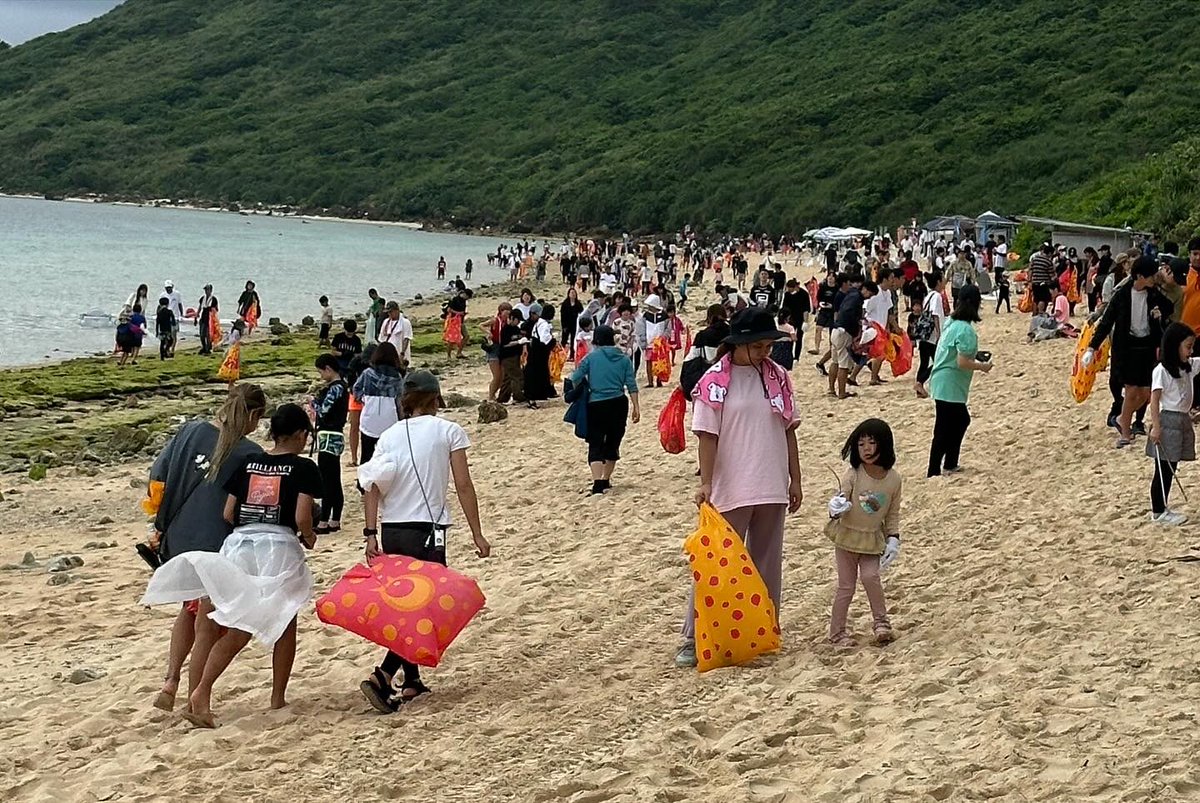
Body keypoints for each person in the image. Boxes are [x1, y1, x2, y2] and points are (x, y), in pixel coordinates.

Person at [143, 404, 322, 728]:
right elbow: (301, 517)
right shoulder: (304, 468)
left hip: (238, 543)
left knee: (219, 620)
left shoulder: (246, 463)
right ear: (299, 435)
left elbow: (228, 512)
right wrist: (308, 537)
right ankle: (271, 697)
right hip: (276, 548)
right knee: (279, 620)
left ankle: (197, 693)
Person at [676, 308, 803, 668]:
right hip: (731, 485)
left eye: (768, 345)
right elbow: (706, 435)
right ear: (740, 344)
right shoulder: (715, 379)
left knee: (766, 563)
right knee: (718, 563)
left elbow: (789, 429)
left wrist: (796, 478)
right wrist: (706, 482)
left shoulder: (778, 376)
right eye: (759, 346)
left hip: (772, 482)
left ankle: (762, 631)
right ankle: (692, 636)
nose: (766, 351)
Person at [357, 370, 491, 712]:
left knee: (405, 603)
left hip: (393, 529)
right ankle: (384, 675)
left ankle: (412, 681)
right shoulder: (449, 431)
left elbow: (370, 483)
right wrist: (477, 532)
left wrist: (371, 532)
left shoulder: (387, 435)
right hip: (427, 530)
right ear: (436, 398)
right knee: (425, 605)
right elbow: (463, 484)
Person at [143, 384, 267, 713]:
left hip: (180, 538)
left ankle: (171, 681)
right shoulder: (251, 453)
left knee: (189, 609)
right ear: (254, 416)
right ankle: (196, 696)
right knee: (209, 621)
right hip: (219, 544)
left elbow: (158, 477)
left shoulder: (190, 431)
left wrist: (158, 522)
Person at [825, 418, 902, 647]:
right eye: (861, 444)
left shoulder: (894, 480)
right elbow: (841, 497)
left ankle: (881, 623)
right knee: (846, 586)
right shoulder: (854, 474)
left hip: (871, 540)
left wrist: (893, 539)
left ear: (885, 445)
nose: (866, 449)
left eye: (872, 443)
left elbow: (893, 513)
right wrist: (836, 507)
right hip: (847, 537)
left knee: (871, 577)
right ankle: (837, 632)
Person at [1085, 256, 1173, 448]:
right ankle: (1125, 432)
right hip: (1127, 348)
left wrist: (1160, 313)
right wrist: (1092, 347)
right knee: (1132, 390)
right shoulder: (1122, 294)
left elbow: (1170, 306)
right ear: (1140, 276)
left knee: (1146, 393)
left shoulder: (1153, 293)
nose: (1153, 279)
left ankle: (1121, 419)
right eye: (1151, 276)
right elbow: (1106, 322)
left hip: (1148, 346)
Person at [927, 286, 993, 477]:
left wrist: (977, 355)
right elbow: (962, 361)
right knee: (948, 426)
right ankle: (935, 470)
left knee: (956, 422)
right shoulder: (966, 330)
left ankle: (949, 463)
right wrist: (983, 367)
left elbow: (956, 352)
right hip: (950, 383)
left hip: (942, 380)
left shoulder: (951, 322)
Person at [568, 325, 641, 495]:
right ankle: (606, 479)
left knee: (595, 442)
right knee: (613, 441)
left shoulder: (591, 358)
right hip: (618, 403)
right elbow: (631, 384)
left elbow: (575, 377)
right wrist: (636, 407)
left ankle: (597, 482)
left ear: (596, 340)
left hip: (596, 403)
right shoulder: (624, 359)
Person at [312, 354, 349, 534]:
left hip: (328, 435)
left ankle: (324, 521)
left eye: (321, 372)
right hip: (337, 434)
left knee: (327, 480)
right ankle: (335, 519)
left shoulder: (335, 388)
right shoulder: (343, 387)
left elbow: (324, 410)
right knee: (334, 479)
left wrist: (313, 405)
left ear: (328, 369)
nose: (320, 376)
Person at [352, 342, 404, 464]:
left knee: (366, 457)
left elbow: (356, 389)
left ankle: (363, 482)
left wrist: (364, 399)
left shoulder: (367, 373)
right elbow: (400, 401)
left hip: (369, 419)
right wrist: (403, 420)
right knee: (390, 458)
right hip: (390, 420)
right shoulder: (397, 377)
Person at [913, 273, 945, 398]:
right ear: (938, 281)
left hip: (923, 335)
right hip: (931, 335)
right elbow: (936, 315)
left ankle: (919, 389)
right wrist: (939, 334)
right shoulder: (936, 296)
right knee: (938, 361)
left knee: (924, 362)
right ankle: (920, 383)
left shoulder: (929, 296)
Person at [524, 303, 557, 403]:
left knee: (535, 373)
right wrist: (553, 341)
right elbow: (544, 339)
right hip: (539, 352)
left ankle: (534, 395)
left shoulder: (538, 323)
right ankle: (537, 395)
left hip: (534, 350)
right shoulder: (544, 324)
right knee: (539, 373)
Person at [496, 308, 527, 404]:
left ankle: (503, 398)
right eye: (517, 320)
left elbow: (522, 337)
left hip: (516, 356)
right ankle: (518, 396)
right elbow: (505, 344)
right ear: (512, 318)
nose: (518, 322)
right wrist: (517, 342)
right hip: (507, 356)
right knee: (517, 376)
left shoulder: (517, 329)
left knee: (508, 378)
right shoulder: (506, 329)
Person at [481, 302, 512, 401]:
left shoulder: (508, 322)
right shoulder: (494, 320)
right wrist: (488, 332)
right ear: (501, 312)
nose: (506, 315)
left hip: (503, 349)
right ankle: (490, 396)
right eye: (505, 313)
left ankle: (494, 394)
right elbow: (480, 325)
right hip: (493, 349)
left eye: (508, 313)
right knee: (496, 376)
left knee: (502, 376)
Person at [812, 271, 840, 356]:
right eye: (829, 276)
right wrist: (819, 306)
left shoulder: (837, 289)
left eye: (832, 277)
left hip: (833, 311)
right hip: (823, 310)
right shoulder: (823, 287)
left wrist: (833, 307)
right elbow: (818, 298)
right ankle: (817, 348)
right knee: (818, 328)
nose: (830, 278)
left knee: (832, 331)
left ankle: (831, 349)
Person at [379, 301, 413, 367]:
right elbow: (381, 339)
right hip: (387, 354)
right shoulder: (386, 322)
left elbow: (406, 339)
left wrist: (402, 353)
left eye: (391, 312)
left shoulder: (405, 322)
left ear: (397, 310)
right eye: (388, 312)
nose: (389, 314)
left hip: (399, 352)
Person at [159, 281, 184, 356]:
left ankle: (172, 349)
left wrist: (181, 314)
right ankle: (167, 349)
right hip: (165, 318)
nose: (168, 289)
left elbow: (179, 304)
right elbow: (160, 306)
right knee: (167, 335)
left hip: (175, 317)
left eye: (170, 288)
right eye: (167, 288)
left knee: (173, 335)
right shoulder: (162, 295)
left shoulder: (177, 294)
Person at [442, 289, 469, 359]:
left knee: (466, 336)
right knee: (451, 339)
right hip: (453, 321)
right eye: (468, 297)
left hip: (461, 321)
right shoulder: (455, 299)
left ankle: (459, 353)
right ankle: (448, 355)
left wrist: (463, 314)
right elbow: (449, 310)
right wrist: (459, 313)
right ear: (465, 294)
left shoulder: (464, 301)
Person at [217, 320, 245, 387]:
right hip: (234, 349)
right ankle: (231, 381)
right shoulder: (237, 332)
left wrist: (220, 344)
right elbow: (233, 341)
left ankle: (230, 381)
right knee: (233, 365)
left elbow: (228, 338)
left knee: (230, 364)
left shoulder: (232, 331)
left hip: (231, 348)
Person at [560, 287, 584, 359]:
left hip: (575, 325)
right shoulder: (565, 303)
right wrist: (563, 326)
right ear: (568, 294)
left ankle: (572, 355)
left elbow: (581, 313)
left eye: (574, 293)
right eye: (571, 293)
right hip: (566, 324)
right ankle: (561, 354)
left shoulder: (578, 303)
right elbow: (562, 315)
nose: (573, 294)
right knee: (564, 340)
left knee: (573, 340)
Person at [198, 284, 219, 355]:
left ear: (211, 290)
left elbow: (216, 309)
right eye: (206, 290)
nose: (206, 291)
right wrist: (196, 315)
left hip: (210, 317)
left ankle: (208, 347)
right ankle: (204, 346)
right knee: (202, 334)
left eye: (208, 290)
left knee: (208, 334)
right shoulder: (202, 298)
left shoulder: (213, 299)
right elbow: (200, 307)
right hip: (203, 317)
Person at [155, 297, 177, 361]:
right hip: (168, 329)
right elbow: (173, 320)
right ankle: (166, 350)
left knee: (162, 343)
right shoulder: (169, 311)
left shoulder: (159, 312)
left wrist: (156, 331)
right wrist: (174, 325)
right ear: (168, 304)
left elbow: (157, 323)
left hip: (162, 329)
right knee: (171, 341)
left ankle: (162, 356)